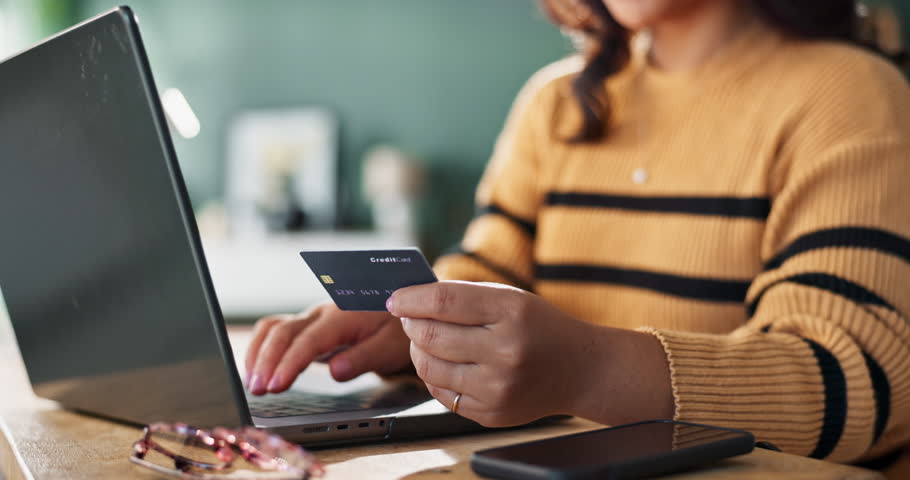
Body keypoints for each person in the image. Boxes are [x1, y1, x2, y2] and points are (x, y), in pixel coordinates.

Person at [246, 0, 910, 476]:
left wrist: (588, 370)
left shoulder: (849, 94)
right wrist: (411, 326)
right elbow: (489, 266)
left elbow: (850, 381)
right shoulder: (554, 105)